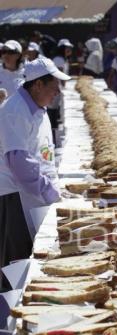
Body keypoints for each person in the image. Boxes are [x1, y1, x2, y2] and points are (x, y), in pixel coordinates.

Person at [0, 57, 70, 288]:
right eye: (54, 87)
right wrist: (50, 192)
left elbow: (42, 153)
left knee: (28, 255)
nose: (57, 93)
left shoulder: (36, 106)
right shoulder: (15, 111)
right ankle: (9, 316)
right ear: (37, 84)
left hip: (30, 193)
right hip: (14, 198)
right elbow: (20, 162)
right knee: (16, 263)